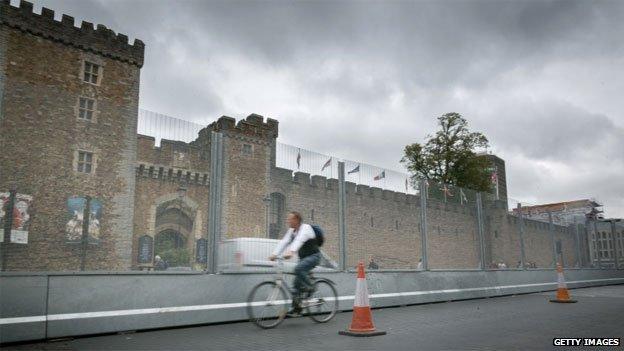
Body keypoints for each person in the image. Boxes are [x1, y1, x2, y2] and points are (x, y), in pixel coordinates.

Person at [269, 211, 321, 316]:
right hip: (303, 259)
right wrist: (274, 254)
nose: (288, 221)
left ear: (296, 220)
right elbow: (284, 242)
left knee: (298, 269)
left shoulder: (305, 228)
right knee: (295, 285)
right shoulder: (292, 231)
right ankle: (297, 308)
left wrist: (291, 251)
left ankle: (311, 287)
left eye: (290, 219)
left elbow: (299, 240)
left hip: (314, 256)